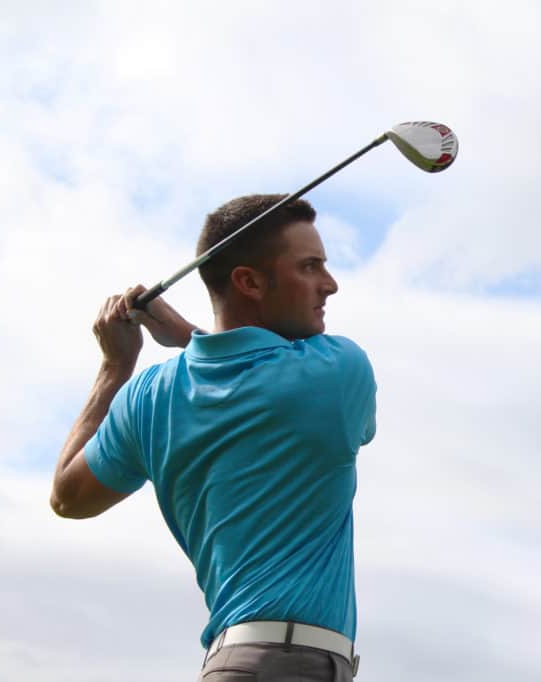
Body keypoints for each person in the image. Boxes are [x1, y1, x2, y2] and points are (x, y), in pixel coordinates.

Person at [50, 194, 376, 681]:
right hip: (293, 664)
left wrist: (116, 365)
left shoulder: (147, 396)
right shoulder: (337, 370)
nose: (329, 284)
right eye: (310, 267)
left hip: (234, 662)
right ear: (248, 281)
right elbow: (263, 376)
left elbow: (68, 497)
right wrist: (188, 333)